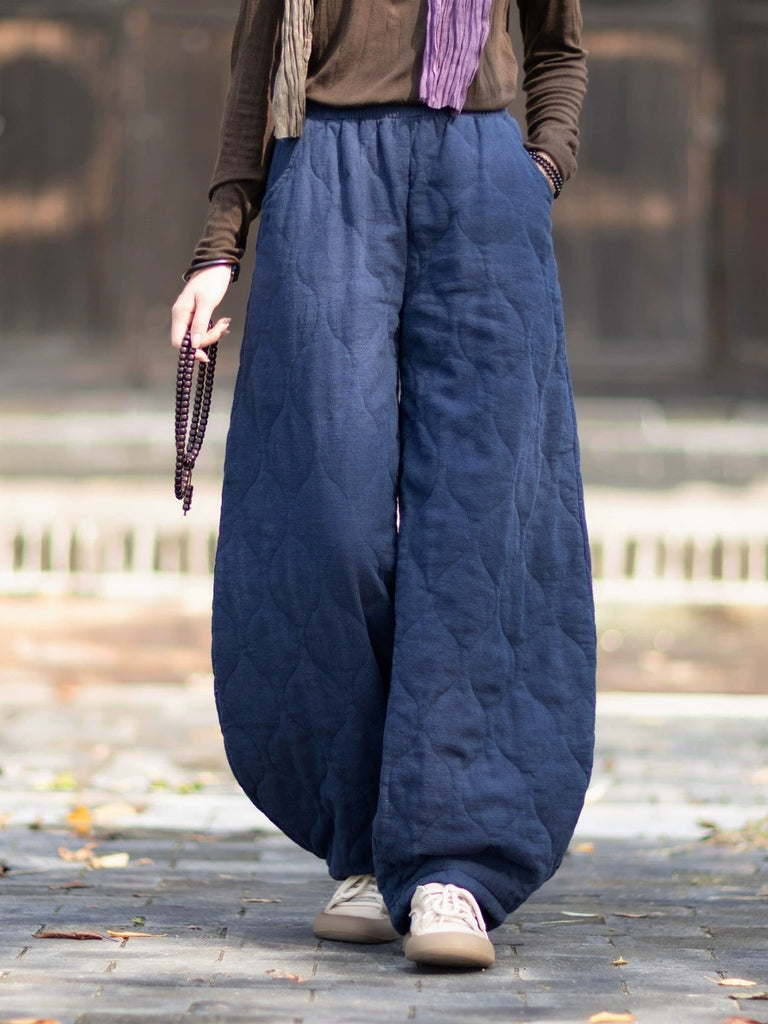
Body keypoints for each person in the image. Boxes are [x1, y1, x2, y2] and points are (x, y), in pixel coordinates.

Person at [171, 0, 596, 971]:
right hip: (325, 174)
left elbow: (559, 48)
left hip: (480, 178)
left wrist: (537, 170)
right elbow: (255, 69)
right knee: (329, 522)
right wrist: (219, 246)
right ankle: (367, 838)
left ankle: (451, 864)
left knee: (476, 531)